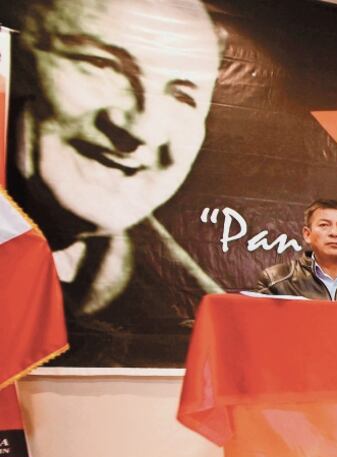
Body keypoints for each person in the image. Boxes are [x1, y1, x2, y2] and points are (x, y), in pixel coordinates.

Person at [6, 0, 222, 365]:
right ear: (23, 63)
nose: (140, 129)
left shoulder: (204, 322)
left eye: (184, 95)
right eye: (101, 64)